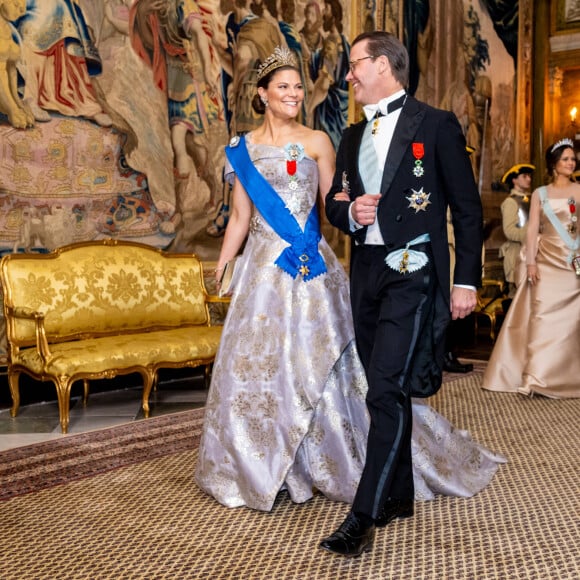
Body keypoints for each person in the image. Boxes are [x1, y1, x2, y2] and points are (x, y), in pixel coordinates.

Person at [195, 46, 503, 514]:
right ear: (261, 94)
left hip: (313, 267)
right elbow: (246, 215)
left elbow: (336, 204)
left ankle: (340, 462)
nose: (295, 93)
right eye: (284, 86)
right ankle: (262, 464)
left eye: (299, 86)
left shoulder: (322, 139)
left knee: (328, 365)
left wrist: (353, 213)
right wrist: (223, 262)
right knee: (259, 368)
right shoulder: (248, 147)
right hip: (261, 269)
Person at [320, 31, 484, 557]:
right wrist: (350, 213)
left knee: (385, 386)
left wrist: (466, 280)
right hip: (365, 274)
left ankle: (363, 514)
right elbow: (335, 203)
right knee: (383, 384)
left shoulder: (434, 124)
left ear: (385, 66)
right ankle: (399, 496)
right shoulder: (350, 137)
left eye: (355, 65)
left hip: (413, 271)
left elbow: (467, 207)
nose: (349, 75)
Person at [482, 138, 580, 398]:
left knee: (571, 321)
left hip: (573, 262)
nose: (571, 163)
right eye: (566, 159)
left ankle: (567, 376)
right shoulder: (540, 194)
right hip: (547, 262)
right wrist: (532, 263)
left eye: (573, 159)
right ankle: (536, 377)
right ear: (554, 164)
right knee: (542, 318)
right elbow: (532, 229)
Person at [499, 163, 535, 298]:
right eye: (524, 176)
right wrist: (531, 233)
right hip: (516, 254)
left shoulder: (532, 199)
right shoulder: (510, 202)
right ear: (514, 180)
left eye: (529, 176)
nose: (528, 179)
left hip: (532, 253)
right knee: (517, 298)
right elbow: (509, 231)